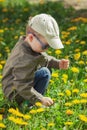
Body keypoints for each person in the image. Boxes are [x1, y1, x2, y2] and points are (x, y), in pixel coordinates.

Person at [2, 14, 69, 107]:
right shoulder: (24, 59)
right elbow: (21, 85)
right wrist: (40, 99)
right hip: (15, 93)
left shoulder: (26, 44)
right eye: (45, 46)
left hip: (15, 86)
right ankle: (28, 105)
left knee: (46, 68)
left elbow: (43, 58)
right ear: (30, 38)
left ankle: (32, 100)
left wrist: (58, 63)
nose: (46, 49)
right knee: (45, 72)